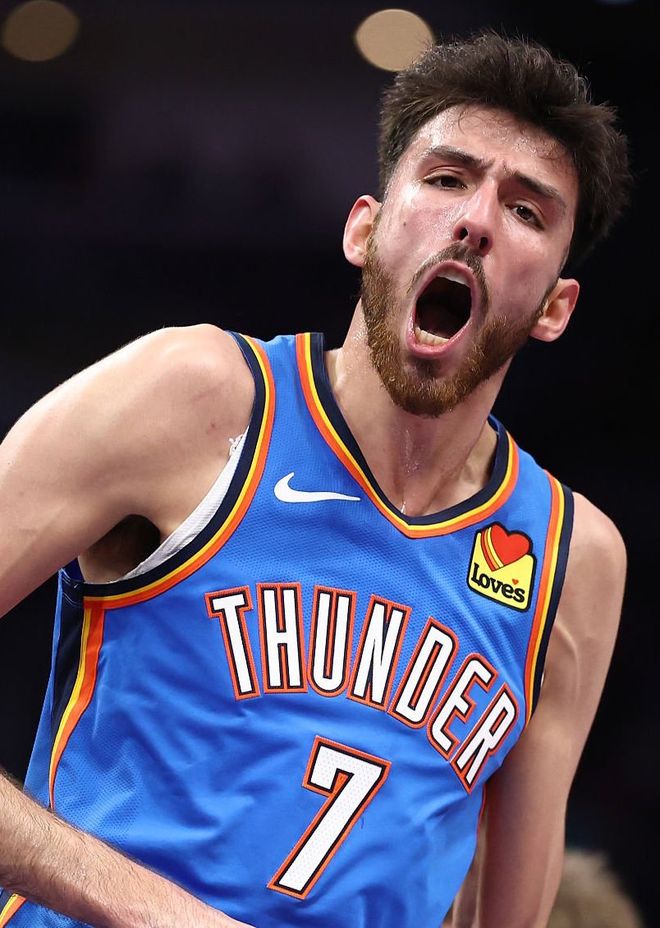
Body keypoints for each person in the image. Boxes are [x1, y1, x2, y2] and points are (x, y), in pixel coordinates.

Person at [0, 29, 631, 928]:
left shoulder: (573, 557)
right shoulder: (192, 399)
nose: (477, 221)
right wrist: (157, 912)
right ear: (364, 229)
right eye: (446, 178)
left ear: (555, 308)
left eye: (527, 211)